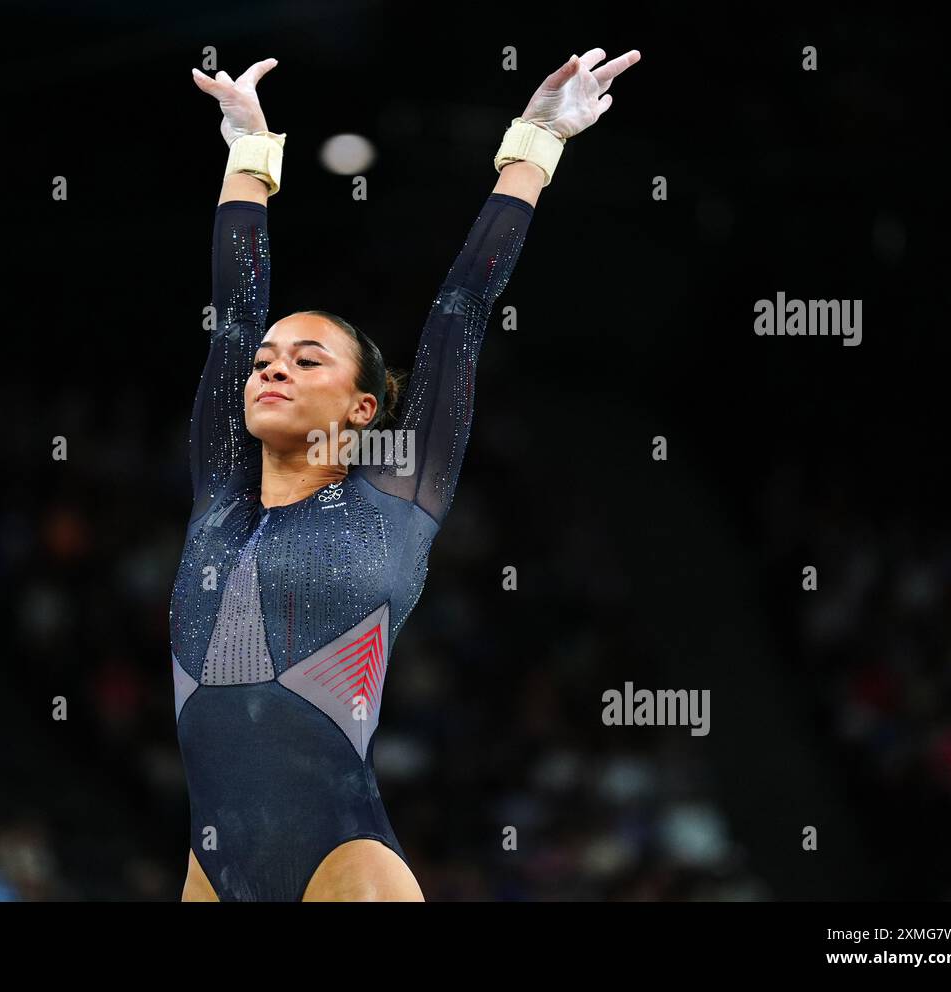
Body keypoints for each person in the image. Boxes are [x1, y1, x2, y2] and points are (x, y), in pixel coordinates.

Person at [175, 47, 640, 901]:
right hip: (213, 872)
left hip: (342, 863)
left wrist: (538, 140)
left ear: (361, 409)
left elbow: (461, 312)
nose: (271, 368)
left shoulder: (396, 496)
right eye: (267, 361)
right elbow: (234, 315)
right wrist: (248, 151)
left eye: (306, 360)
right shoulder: (220, 495)